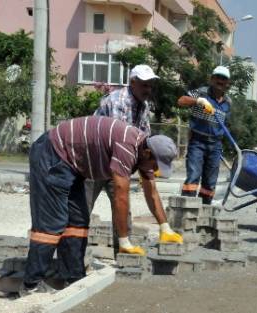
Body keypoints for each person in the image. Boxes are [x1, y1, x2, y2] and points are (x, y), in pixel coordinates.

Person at [22, 116, 183, 294]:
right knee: (51, 223)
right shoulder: (127, 147)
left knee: (78, 221)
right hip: (53, 153)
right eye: (156, 164)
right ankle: (31, 284)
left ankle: (73, 278)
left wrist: (165, 226)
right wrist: (123, 240)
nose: (155, 169)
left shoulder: (144, 150)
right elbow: (121, 197)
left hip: (74, 166)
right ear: (147, 153)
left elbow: (151, 192)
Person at [86, 64, 158, 257]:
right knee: (83, 208)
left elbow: (144, 137)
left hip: (117, 162)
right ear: (132, 83)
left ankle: (123, 254)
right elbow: (119, 138)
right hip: (94, 161)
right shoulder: (118, 101)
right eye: (144, 85)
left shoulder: (143, 106)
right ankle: (73, 254)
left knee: (122, 208)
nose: (148, 90)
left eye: (150, 85)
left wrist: (149, 164)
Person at [177, 66, 231, 204]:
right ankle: (187, 209)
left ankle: (205, 209)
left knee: (210, 182)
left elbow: (225, 125)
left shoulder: (228, 103)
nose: (220, 80)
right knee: (193, 176)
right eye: (217, 77)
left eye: (223, 79)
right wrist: (198, 101)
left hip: (216, 145)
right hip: (198, 142)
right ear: (212, 79)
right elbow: (181, 100)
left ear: (227, 82)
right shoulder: (202, 93)